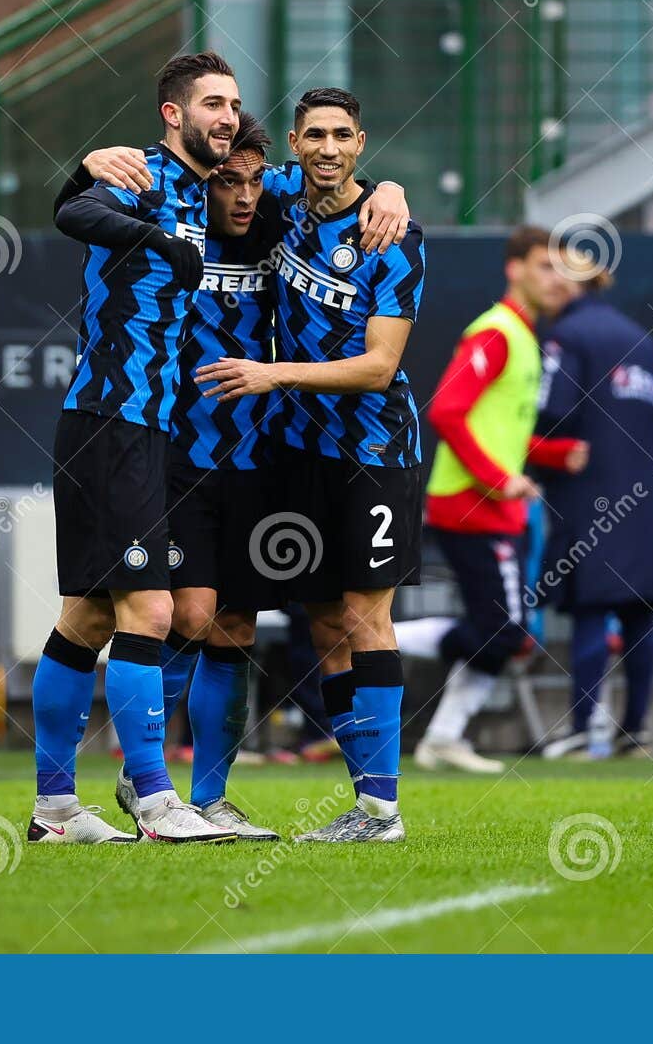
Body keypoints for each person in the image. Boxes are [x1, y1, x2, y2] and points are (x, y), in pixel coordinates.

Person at [51, 112, 411, 841]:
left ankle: (210, 797)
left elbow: (336, 176)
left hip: (259, 453)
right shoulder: (176, 213)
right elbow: (79, 205)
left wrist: (392, 188)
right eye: (226, 181)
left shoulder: (275, 204)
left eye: (253, 180)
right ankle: (138, 779)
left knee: (235, 625)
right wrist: (86, 155)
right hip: (175, 450)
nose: (242, 196)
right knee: (178, 614)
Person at [196, 87, 425, 843]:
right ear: (297, 145)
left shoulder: (394, 236)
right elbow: (219, 169)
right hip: (297, 449)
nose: (328, 149)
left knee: (366, 615)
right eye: (314, 137)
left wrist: (274, 374)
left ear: (361, 142)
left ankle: (384, 812)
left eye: (342, 137)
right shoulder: (287, 198)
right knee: (323, 621)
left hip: (373, 451)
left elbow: (379, 366)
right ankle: (361, 801)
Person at [28, 50, 234, 844]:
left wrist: (386, 188)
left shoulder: (212, 186)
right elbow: (73, 214)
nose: (225, 115)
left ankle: (55, 811)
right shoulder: (142, 174)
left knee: (85, 619)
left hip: (139, 430)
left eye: (234, 103)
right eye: (211, 102)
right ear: (173, 114)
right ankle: (154, 800)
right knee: (150, 607)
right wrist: (147, 230)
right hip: (110, 422)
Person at [400, 225, 586, 772]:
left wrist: (552, 454)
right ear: (515, 268)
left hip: (493, 507)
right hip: (471, 505)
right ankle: (369, 634)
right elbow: (447, 412)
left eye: (562, 269)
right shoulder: (498, 331)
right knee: (505, 633)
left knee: (502, 633)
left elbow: (497, 426)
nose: (557, 279)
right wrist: (497, 481)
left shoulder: (525, 337)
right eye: (545, 266)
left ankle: (443, 738)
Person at [535, 257, 653, 758]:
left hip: (588, 494)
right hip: (643, 493)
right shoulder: (645, 341)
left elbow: (554, 411)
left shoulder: (567, 336)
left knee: (591, 606)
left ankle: (582, 726)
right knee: (638, 613)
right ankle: (635, 728)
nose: (547, 281)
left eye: (555, 270)